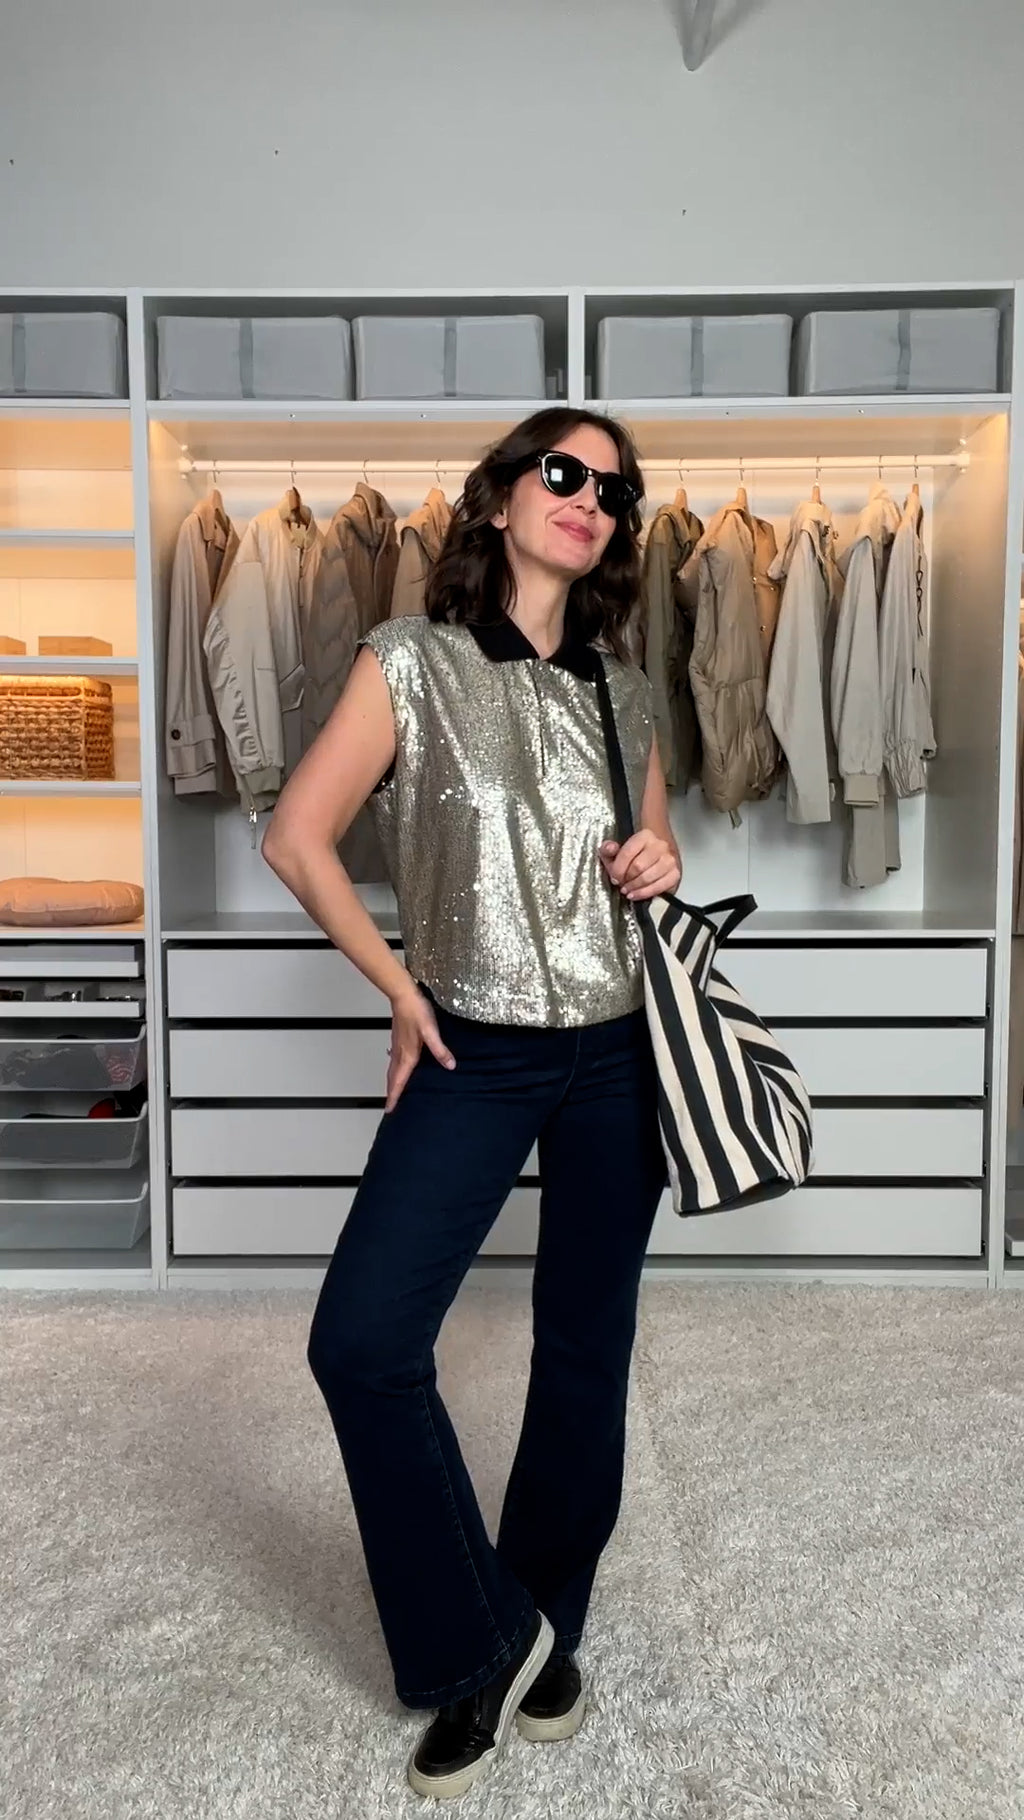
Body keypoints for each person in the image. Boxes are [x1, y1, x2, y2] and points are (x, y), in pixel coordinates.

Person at [262, 407, 681, 1800]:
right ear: (501, 496)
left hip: (617, 1052)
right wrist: (400, 988)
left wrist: (659, 859)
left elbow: (653, 847)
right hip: (476, 1048)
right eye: (563, 473)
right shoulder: (412, 659)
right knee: (363, 1341)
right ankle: (480, 1634)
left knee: (584, 1349)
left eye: (612, 491)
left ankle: (549, 1614)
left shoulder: (627, 689)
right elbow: (296, 836)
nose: (588, 500)